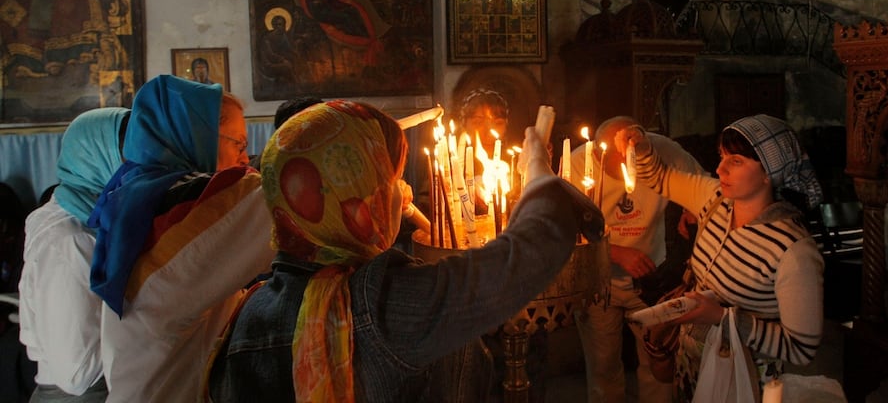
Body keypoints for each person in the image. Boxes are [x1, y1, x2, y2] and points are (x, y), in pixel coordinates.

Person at [206, 100, 604, 402]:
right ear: (357, 201)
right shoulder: (380, 305)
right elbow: (533, 251)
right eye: (391, 179)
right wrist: (537, 166)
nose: (403, 193)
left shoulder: (245, 312)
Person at [87, 75, 275, 403]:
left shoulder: (140, 194)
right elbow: (280, 198)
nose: (245, 159)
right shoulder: (186, 205)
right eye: (239, 145)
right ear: (197, 136)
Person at [625, 114, 825, 400]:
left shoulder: (793, 249)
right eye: (722, 157)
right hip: (693, 364)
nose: (720, 169)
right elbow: (661, 178)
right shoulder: (715, 200)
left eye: (736, 161)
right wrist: (639, 146)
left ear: (769, 171)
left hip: (742, 379)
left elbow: (801, 348)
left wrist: (720, 317)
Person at [570, 116, 704, 403]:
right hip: (597, 281)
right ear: (597, 151)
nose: (625, 173)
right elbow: (561, 229)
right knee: (603, 367)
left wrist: (692, 209)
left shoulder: (661, 151)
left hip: (650, 279)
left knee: (658, 362)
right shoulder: (579, 164)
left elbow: (705, 188)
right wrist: (614, 252)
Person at [19, 107, 130, 401]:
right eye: (127, 156)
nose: (139, 167)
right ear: (96, 158)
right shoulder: (72, 236)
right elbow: (76, 373)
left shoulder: (82, 214)